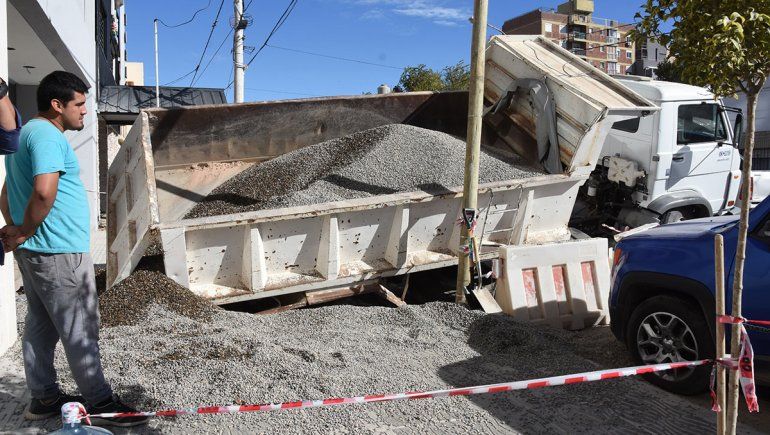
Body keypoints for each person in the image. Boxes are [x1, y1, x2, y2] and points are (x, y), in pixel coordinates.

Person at [0, 71, 148, 427]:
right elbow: (43, 191)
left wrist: (19, 230)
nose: (84, 111)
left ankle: (44, 398)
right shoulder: (47, 136)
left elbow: (6, 191)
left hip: (37, 249)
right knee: (80, 327)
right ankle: (100, 403)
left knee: (40, 325)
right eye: (79, 104)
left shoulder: (26, 134)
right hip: (58, 251)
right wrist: (25, 229)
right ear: (57, 105)